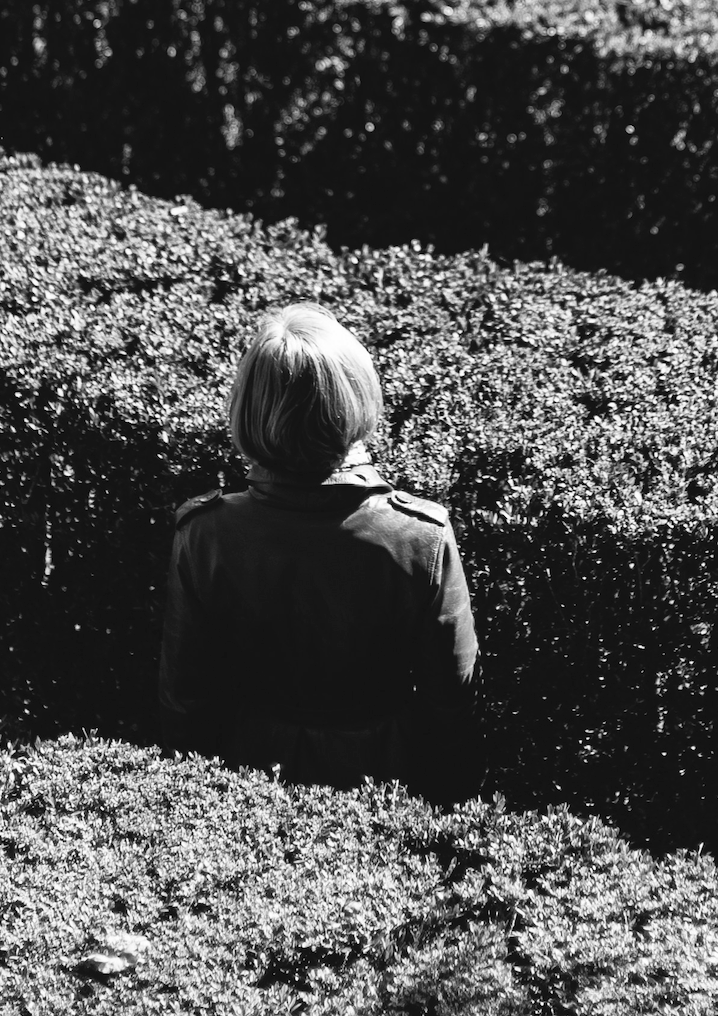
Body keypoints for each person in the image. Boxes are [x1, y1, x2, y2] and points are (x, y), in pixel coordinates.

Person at [159, 301, 481, 802]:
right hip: (385, 781)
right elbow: (452, 703)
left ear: (249, 406)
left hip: (247, 780)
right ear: (355, 398)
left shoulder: (206, 532)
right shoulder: (420, 535)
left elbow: (185, 701)